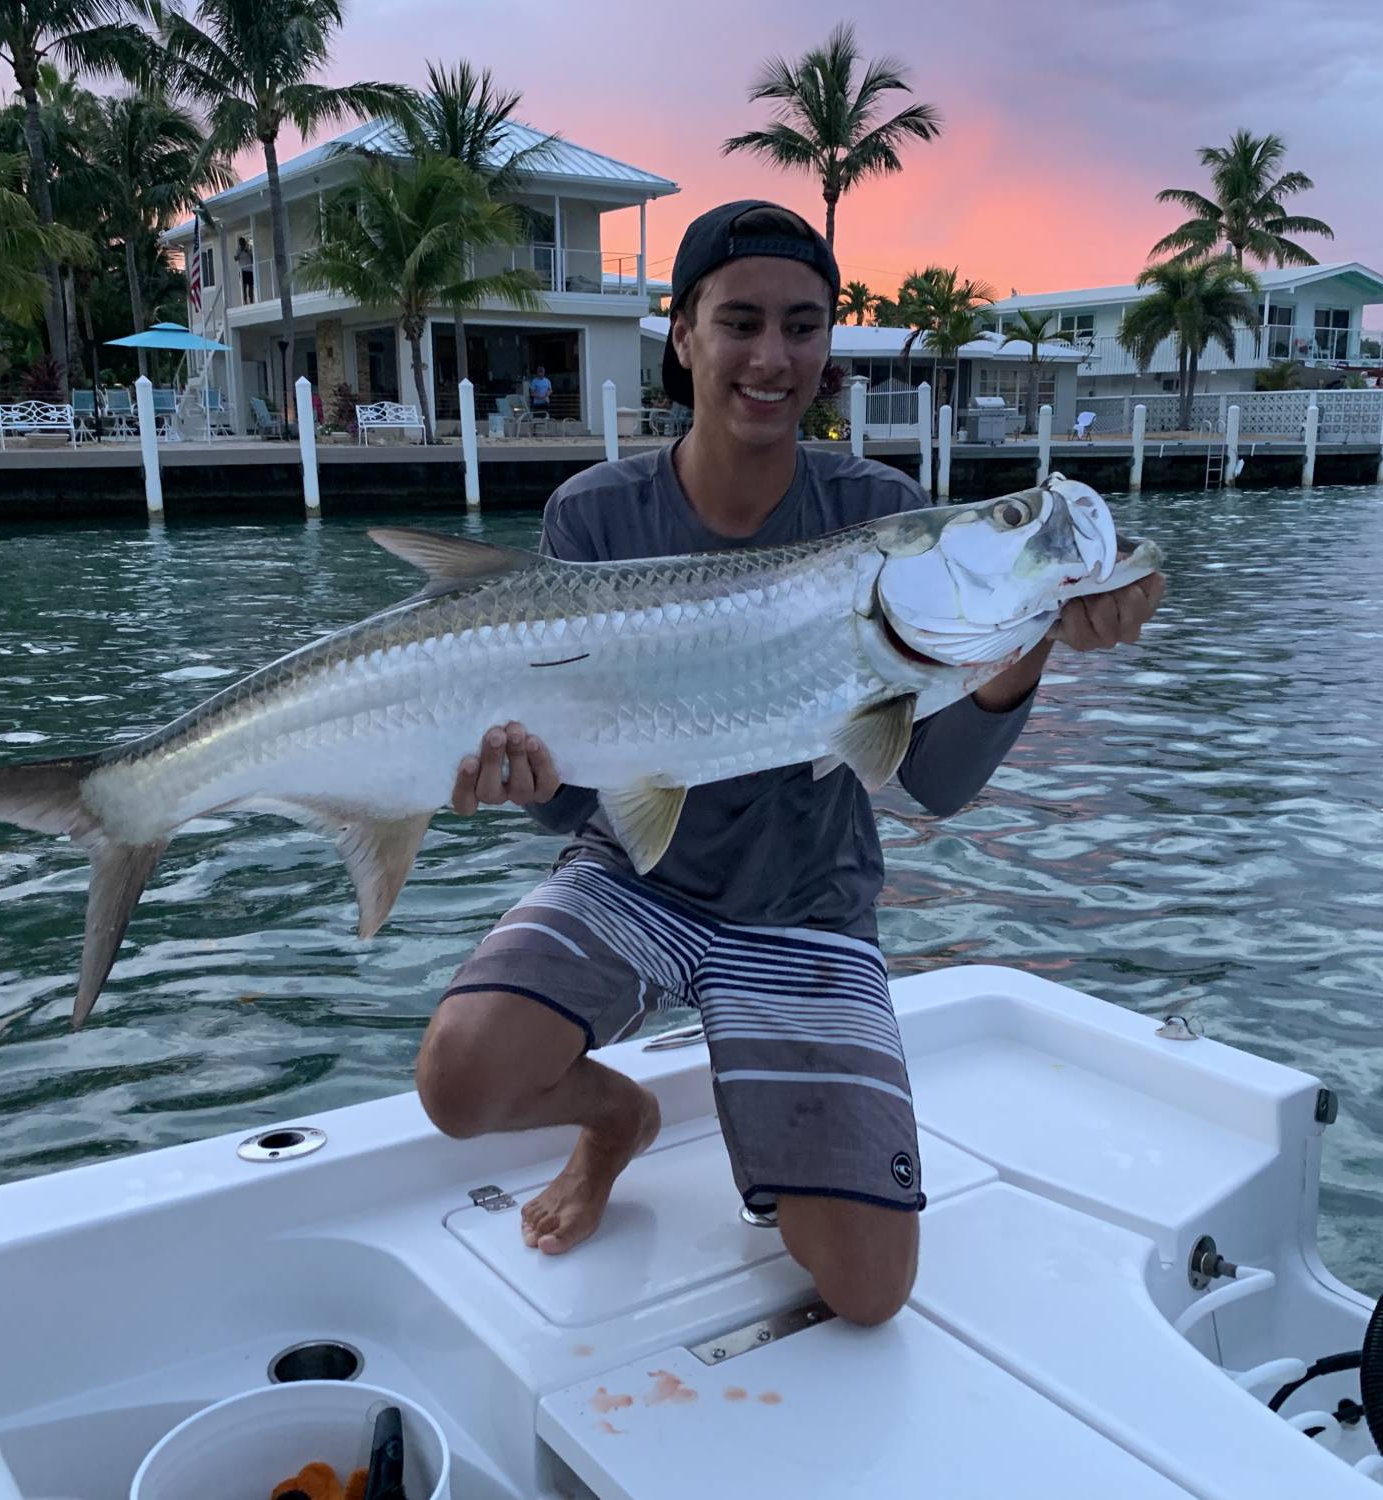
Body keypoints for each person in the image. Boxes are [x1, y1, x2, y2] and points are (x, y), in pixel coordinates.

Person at [415, 200, 1164, 1327]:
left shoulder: (882, 515)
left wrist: (1023, 654)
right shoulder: (597, 514)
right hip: (635, 877)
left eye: (804, 327)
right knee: (460, 1078)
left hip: (808, 910)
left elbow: (934, 786)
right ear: (683, 334)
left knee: (867, 1291)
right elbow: (579, 792)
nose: (773, 358)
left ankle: (787, 1110)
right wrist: (520, 781)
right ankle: (615, 1122)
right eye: (741, 322)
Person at [235, 236, 254, 305]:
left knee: (251, 287)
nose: (242, 244)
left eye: (243, 242)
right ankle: (245, 302)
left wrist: (247, 252)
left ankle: (251, 301)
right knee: (244, 287)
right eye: (240, 243)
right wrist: (240, 252)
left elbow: (252, 259)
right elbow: (235, 259)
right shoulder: (238, 250)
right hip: (242, 270)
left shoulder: (249, 249)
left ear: (245, 243)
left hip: (249, 270)